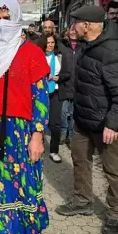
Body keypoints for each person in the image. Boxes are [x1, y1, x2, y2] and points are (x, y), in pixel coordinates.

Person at [55, 5, 118, 234]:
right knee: (80, 160)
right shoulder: (86, 46)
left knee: (114, 169)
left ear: (87, 25)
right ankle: (82, 201)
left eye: (75, 23)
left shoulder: (112, 50)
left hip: (106, 124)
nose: (72, 28)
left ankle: (117, 212)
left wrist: (114, 123)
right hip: (84, 120)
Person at [0, 0, 50, 234]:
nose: (2, 23)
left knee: (25, 181)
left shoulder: (32, 53)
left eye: (7, 17)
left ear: (17, 18)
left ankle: (25, 230)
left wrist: (37, 134)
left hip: (22, 131)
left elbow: (41, 96)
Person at [38, 34, 73, 163]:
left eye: (52, 42)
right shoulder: (38, 56)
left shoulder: (60, 56)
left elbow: (68, 73)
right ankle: (38, 145)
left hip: (56, 92)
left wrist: (58, 78)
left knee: (55, 123)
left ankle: (54, 151)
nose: (50, 45)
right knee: (39, 120)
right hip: (41, 92)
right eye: (48, 42)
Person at [60, 25, 80, 147]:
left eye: (75, 30)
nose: (73, 32)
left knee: (73, 114)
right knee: (63, 112)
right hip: (64, 84)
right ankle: (63, 132)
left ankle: (71, 136)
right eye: (71, 30)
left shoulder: (83, 47)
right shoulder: (62, 47)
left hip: (78, 86)